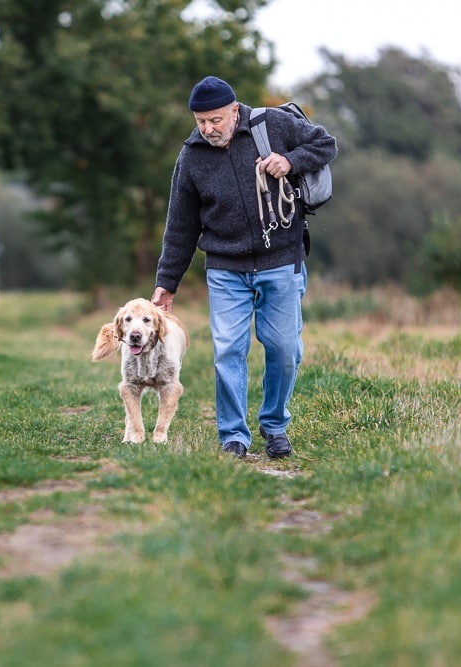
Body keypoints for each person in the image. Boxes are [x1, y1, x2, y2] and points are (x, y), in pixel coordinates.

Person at [151, 75, 337, 460]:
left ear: (234, 110)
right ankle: (233, 436)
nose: (208, 129)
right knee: (227, 352)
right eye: (201, 121)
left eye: (215, 120)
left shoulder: (271, 125)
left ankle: (274, 425)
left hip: (282, 260)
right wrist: (166, 283)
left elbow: (325, 143)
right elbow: (181, 226)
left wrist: (290, 160)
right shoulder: (192, 156)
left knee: (285, 350)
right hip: (225, 268)